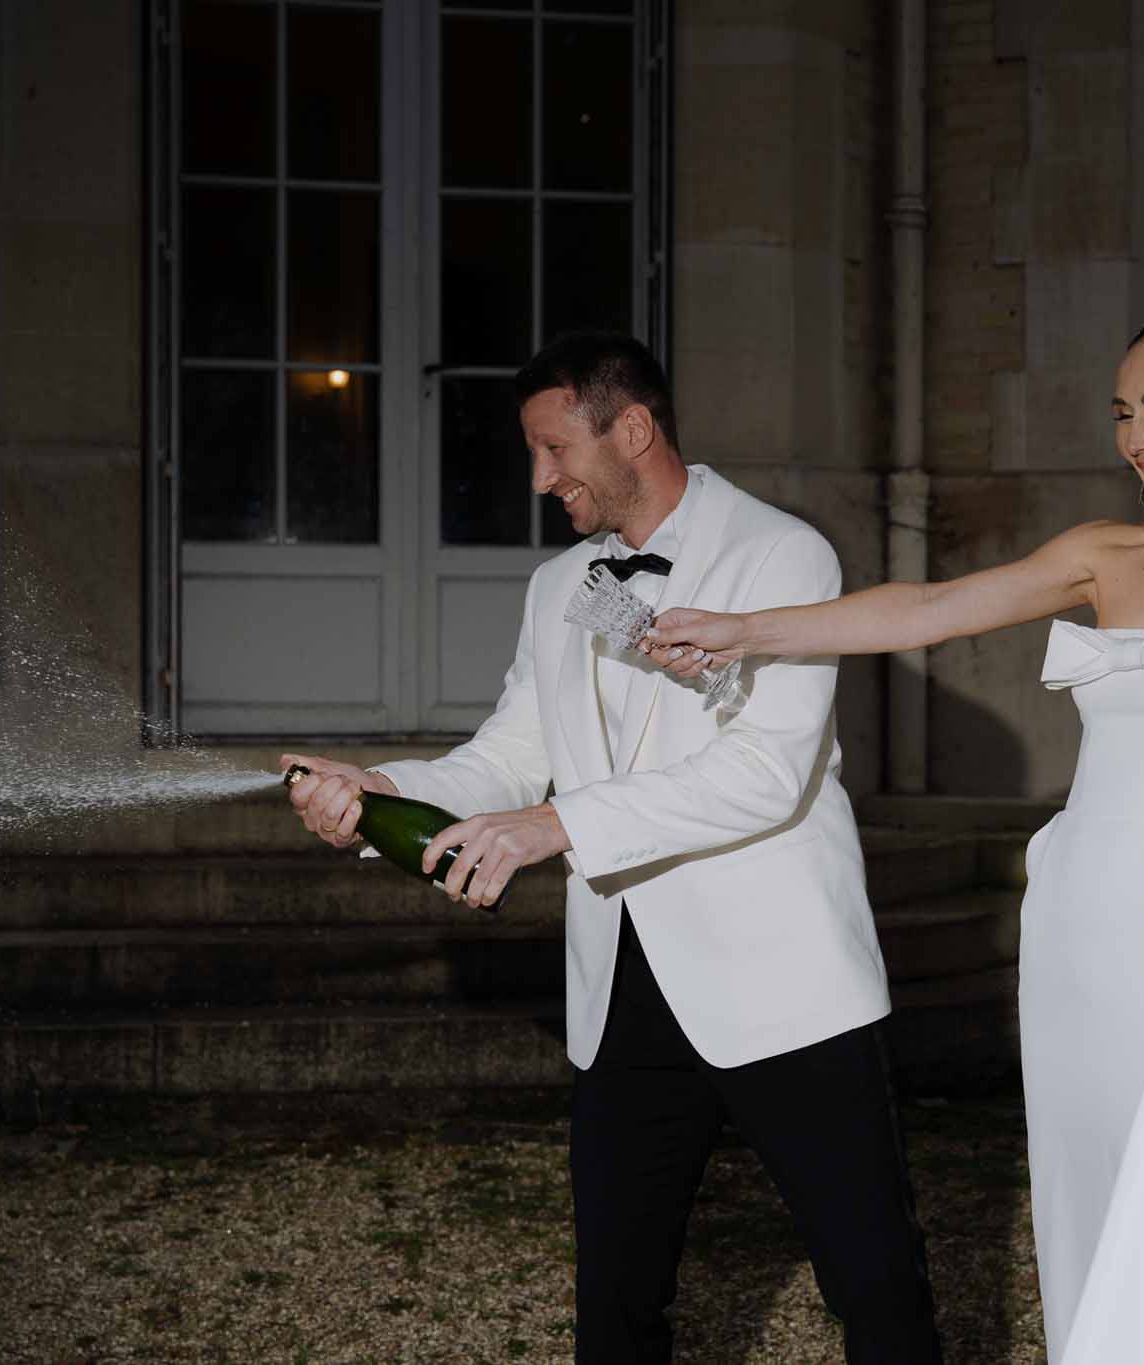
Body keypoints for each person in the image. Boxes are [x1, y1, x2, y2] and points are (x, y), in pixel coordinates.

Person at [641, 46, 1144, 1361]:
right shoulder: (1098, 555)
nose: (1138, 439)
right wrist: (745, 626)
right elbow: (919, 608)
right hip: (1068, 918)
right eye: (1124, 413)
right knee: (1088, 1191)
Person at [281, 333, 943, 1365]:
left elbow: (762, 774)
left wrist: (556, 827)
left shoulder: (781, 554)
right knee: (618, 1305)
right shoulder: (556, 588)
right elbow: (510, 755)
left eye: (553, 450)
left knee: (875, 1287)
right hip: (620, 987)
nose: (540, 478)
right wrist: (384, 792)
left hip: (783, 982)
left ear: (632, 429)